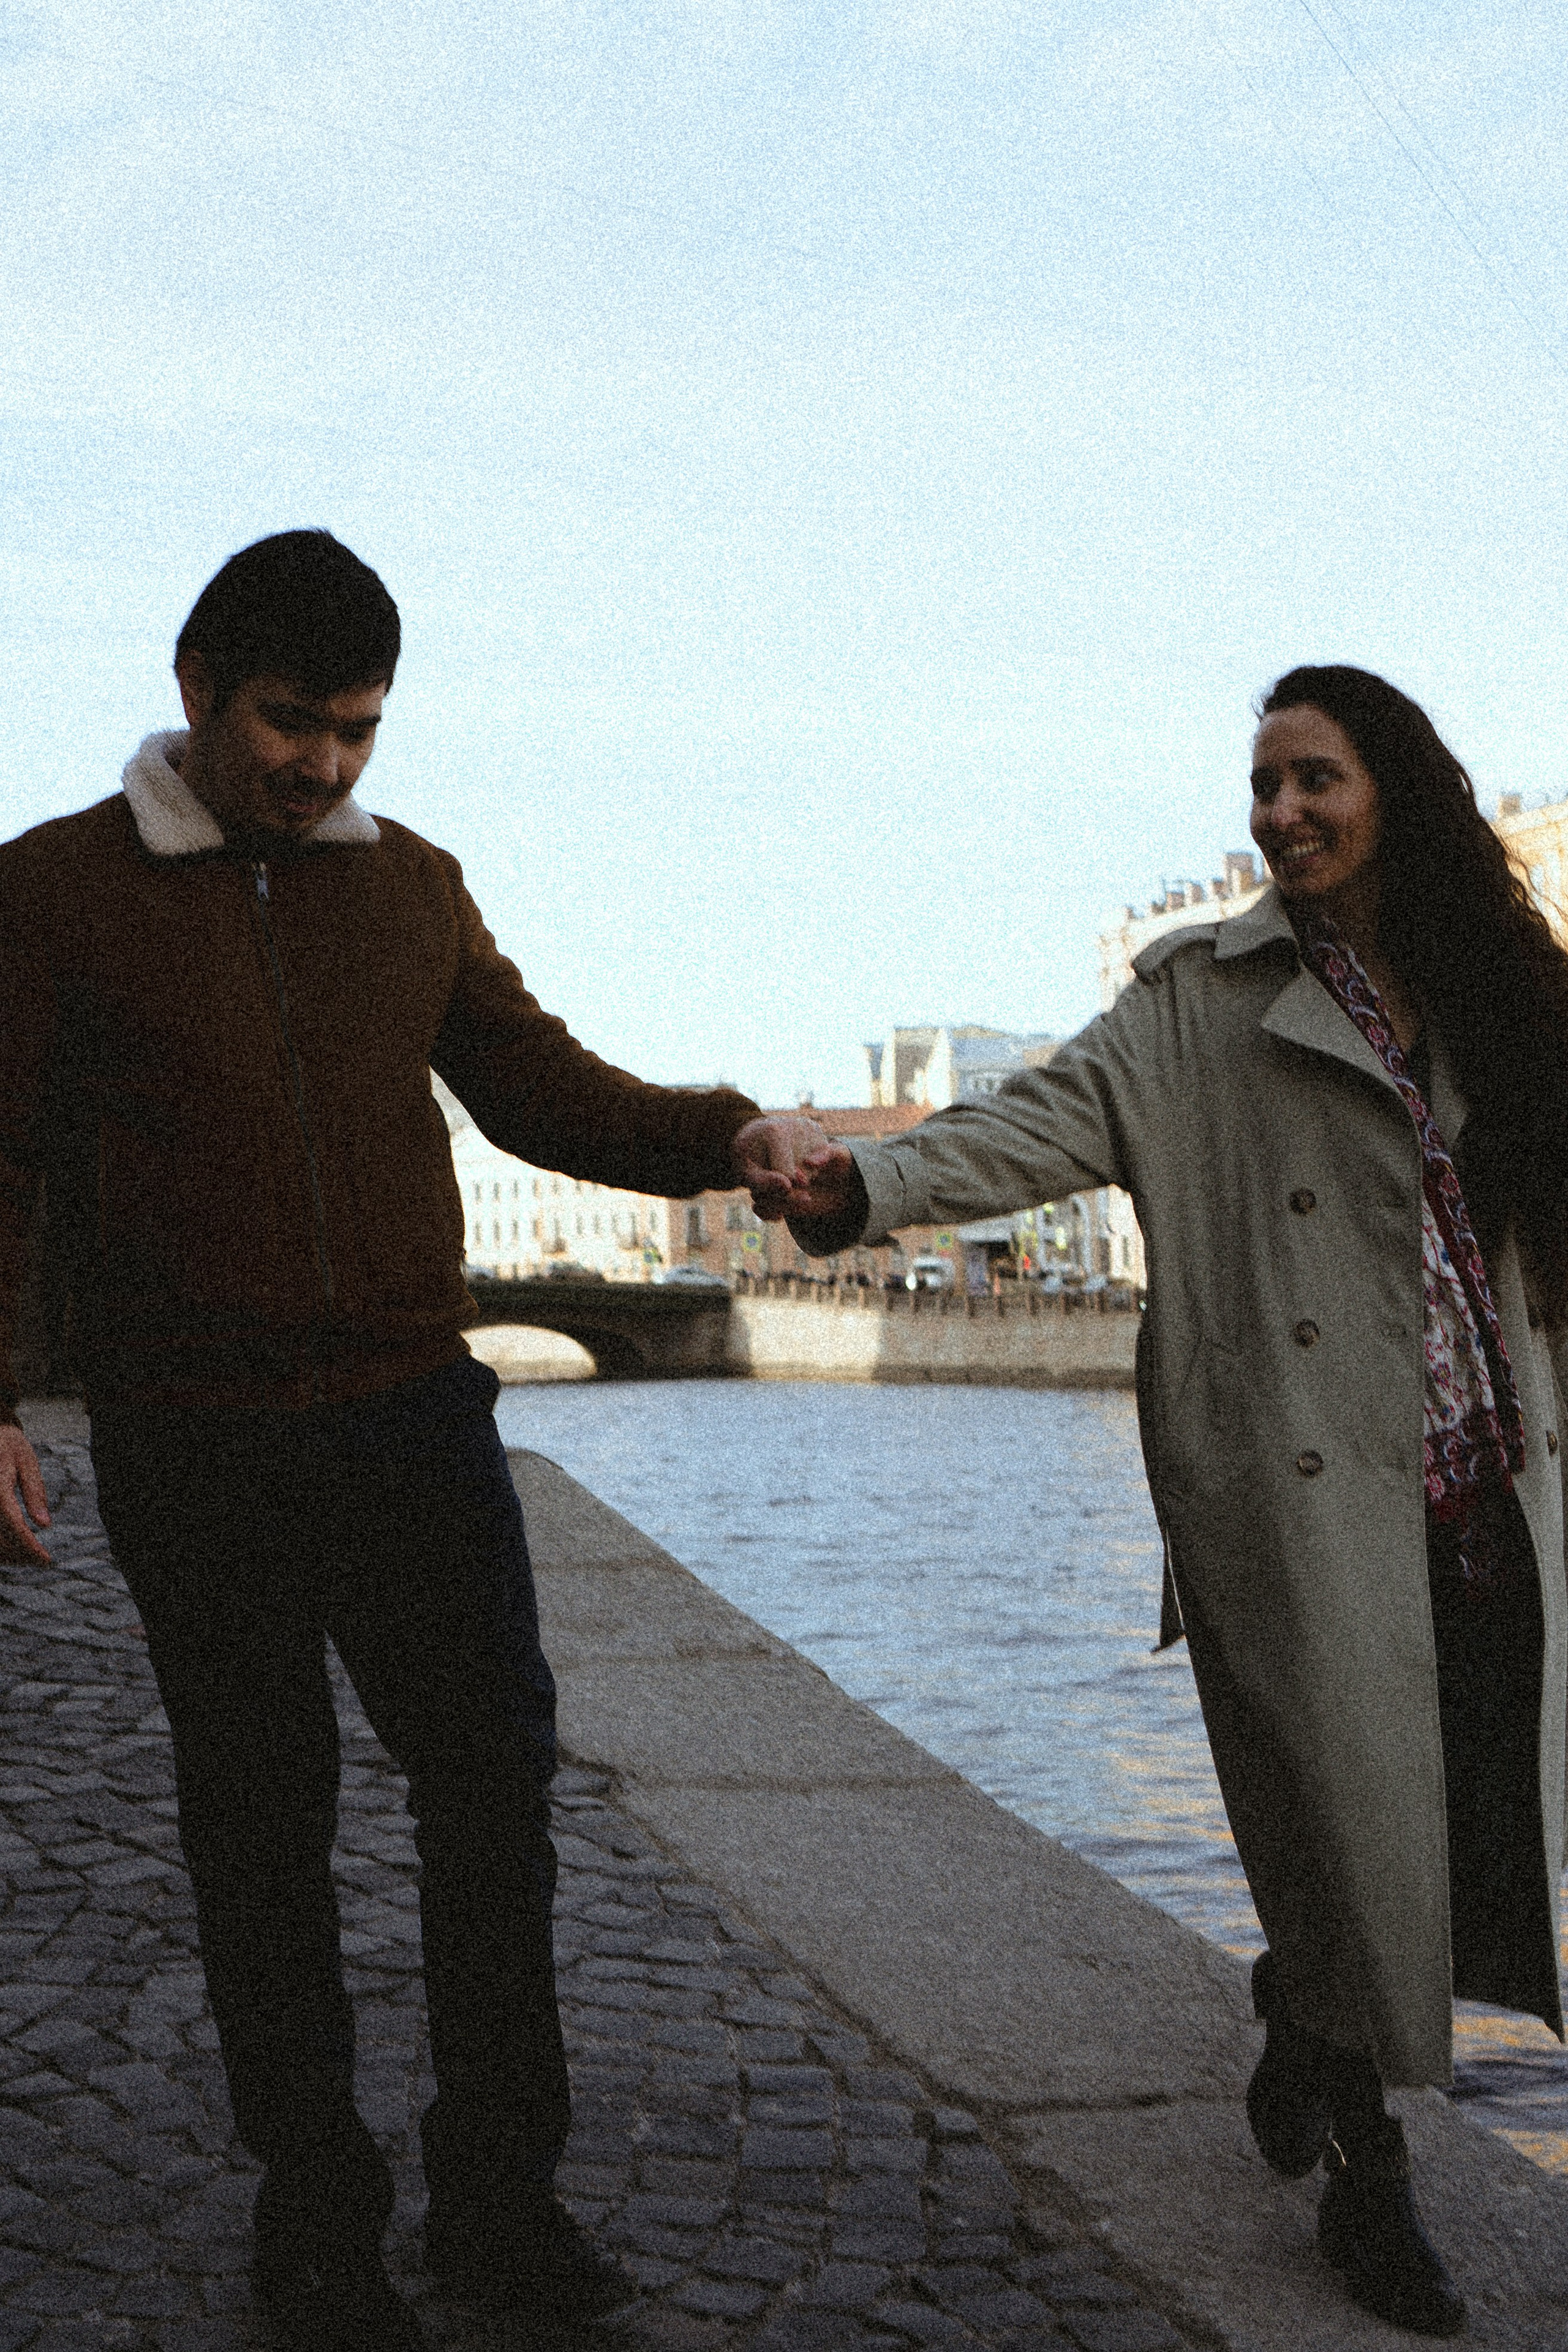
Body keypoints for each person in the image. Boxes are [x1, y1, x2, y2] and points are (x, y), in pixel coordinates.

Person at [0, 530, 810, 2352]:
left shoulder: (414, 887)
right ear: (199, 688)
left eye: (361, 730)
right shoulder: (46, 891)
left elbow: (542, 1088)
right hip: (195, 1435)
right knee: (260, 1828)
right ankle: (320, 2219)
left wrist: (730, 1135)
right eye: (296, 724)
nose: (328, 766)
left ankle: (502, 2199)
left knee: (494, 1797)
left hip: (410, 1419)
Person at [748, 666, 1568, 2340]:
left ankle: (1296, 2010)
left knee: (1460, 1823)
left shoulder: (1501, 987)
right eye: (1263, 785)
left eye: (1313, 778)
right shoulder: (1199, 1001)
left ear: (1394, 790)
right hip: (1297, 1490)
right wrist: (872, 1184)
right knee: (1347, 1831)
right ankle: (1370, 2183)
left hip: (1491, 1482)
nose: (1280, 812)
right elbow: (1042, 1119)